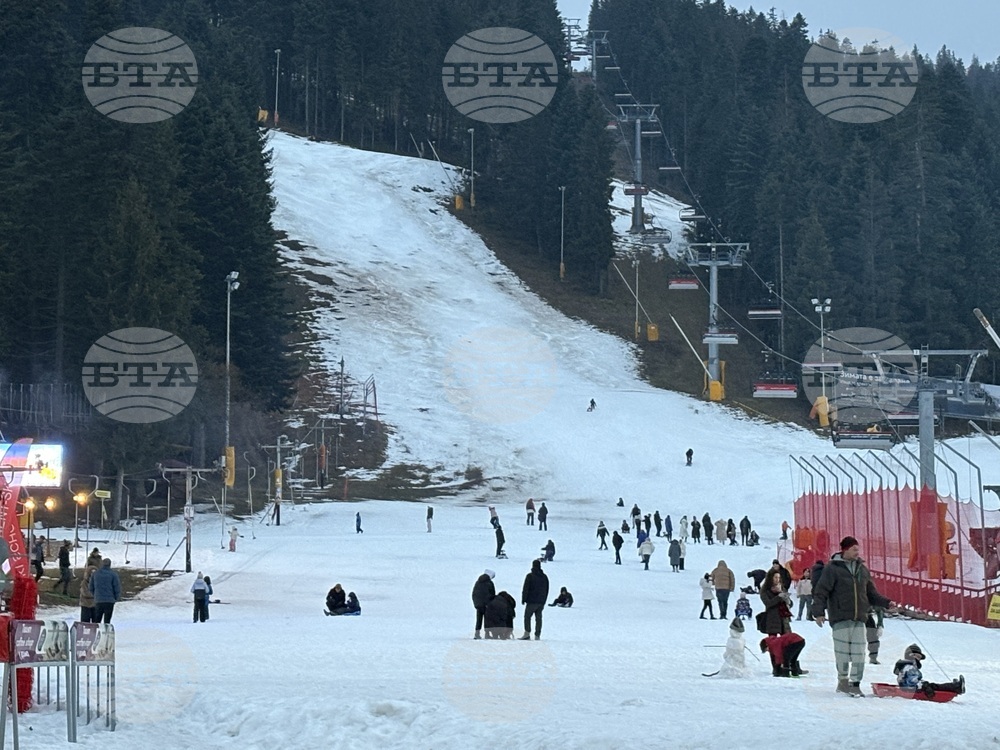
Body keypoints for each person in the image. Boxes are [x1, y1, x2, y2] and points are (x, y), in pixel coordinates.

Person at [811, 536, 893, 697]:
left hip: (860, 617)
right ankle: (843, 681)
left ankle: (855, 684)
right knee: (842, 652)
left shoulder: (862, 569)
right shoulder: (832, 569)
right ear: (845, 550)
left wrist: (886, 602)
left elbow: (871, 593)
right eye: (854, 549)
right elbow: (821, 591)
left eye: (858, 549)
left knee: (859, 653)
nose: (858, 552)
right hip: (840, 617)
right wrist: (819, 612)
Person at [894, 644, 965, 698]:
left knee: (933, 685)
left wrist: (924, 684)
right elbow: (911, 682)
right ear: (911, 655)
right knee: (934, 686)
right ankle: (955, 687)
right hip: (910, 690)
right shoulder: (910, 667)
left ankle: (954, 686)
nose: (919, 659)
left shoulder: (908, 666)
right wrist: (924, 685)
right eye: (917, 657)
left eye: (919, 658)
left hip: (910, 688)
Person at [520, 559, 549, 640]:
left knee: (527, 617)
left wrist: (523, 598)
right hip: (541, 602)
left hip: (531, 601)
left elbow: (526, 588)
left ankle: (527, 633)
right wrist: (544, 600)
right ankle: (537, 635)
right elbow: (547, 589)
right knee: (538, 618)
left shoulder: (530, 576)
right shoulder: (544, 577)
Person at [759, 570, 793, 635]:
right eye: (775, 577)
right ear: (770, 578)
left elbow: (790, 604)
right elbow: (768, 603)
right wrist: (779, 597)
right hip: (772, 619)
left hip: (783, 619)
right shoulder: (765, 590)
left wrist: (786, 599)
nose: (777, 579)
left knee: (786, 639)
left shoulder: (781, 588)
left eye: (779, 578)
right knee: (773, 640)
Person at [89, 558, 121, 623]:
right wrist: (116, 598)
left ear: (102, 564)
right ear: (110, 564)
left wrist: (95, 595)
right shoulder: (113, 574)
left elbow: (91, 587)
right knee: (107, 620)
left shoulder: (95, 574)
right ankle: (106, 632)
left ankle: (97, 632)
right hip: (109, 601)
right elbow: (117, 588)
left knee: (97, 620)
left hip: (99, 600)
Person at [472, 570, 496, 639]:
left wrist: (476, 603)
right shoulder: (489, 583)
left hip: (478, 604)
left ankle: (477, 633)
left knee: (479, 619)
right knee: (487, 619)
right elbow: (492, 594)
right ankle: (487, 634)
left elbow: (474, 593)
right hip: (487, 604)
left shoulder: (478, 582)